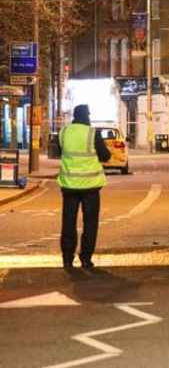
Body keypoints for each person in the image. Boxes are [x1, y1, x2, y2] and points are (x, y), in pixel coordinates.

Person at [57, 104, 111, 269]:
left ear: (74, 116)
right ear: (86, 116)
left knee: (68, 222)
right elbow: (105, 156)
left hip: (69, 186)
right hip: (90, 187)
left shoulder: (64, 132)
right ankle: (86, 258)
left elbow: (61, 151)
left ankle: (67, 259)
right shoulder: (92, 133)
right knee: (90, 223)